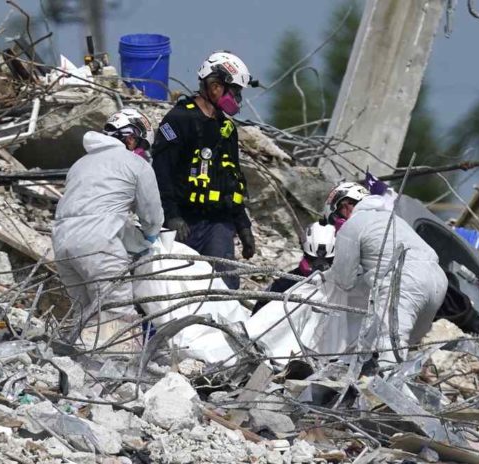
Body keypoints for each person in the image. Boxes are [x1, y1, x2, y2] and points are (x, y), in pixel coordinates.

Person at [52, 108, 164, 344]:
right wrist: (150, 238)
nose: (142, 153)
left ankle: (79, 369)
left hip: (62, 245)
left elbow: (91, 211)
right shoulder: (135, 163)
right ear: (132, 139)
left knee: (85, 316)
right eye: (141, 146)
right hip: (99, 248)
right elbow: (152, 216)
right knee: (117, 316)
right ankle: (119, 375)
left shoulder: (80, 164)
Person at [151, 51, 258, 289]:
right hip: (184, 223)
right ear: (216, 86)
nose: (238, 99)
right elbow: (161, 172)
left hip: (218, 224)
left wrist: (244, 227)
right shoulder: (178, 120)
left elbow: (233, 180)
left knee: (223, 288)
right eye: (235, 92)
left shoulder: (226, 128)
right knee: (179, 287)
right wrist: (172, 216)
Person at [326, 186, 448, 364]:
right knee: (403, 346)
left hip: (405, 279)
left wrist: (324, 278)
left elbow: (344, 281)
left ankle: (382, 388)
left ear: (345, 205)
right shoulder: (395, 219)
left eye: (337, 217)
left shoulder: (353, 224)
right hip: (437, 280)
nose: (339, 222)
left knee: (389, 348)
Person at [252, 221, 337, 314]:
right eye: (313, 261)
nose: (319, 268)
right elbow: (260, 309)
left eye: (326, 262)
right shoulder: (285, 283)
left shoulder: (285, 282)